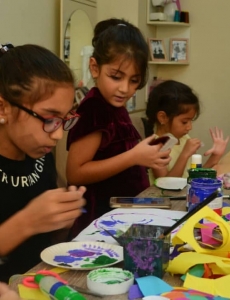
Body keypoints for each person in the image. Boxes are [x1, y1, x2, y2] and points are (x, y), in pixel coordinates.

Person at [66, 18, 171, 238]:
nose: (125, 89)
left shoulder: (116, 106)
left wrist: (149, 155)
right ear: (95, 68)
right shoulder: (94, 108)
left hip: (125, 217)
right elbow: (75, 173)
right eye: (116, 77)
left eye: (134, 81)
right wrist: (134, 157)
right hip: (100, 223)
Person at [0, 43, 86, 282]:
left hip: (42, 281)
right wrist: (27, 222)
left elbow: (45, 246)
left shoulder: (39, 153)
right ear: (3, 107)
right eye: (49, 119)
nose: (58, 135)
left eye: (64, 119)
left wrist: (61, 222)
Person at [146, 80, 229, 183]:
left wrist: (215, 157)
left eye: (191, 120)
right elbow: (167, 185)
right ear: (163, 117)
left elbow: (194, 177)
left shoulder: (184, 139)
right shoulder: (156, 146)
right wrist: (185, 155)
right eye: (184, 122)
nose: (190, 127)